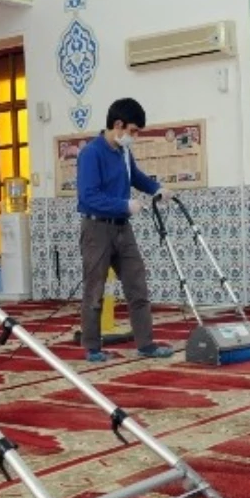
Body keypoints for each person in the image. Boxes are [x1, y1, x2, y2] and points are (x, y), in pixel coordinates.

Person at [76, 98, 174, 363]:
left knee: (137, 285)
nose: (135, 136)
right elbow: (88, 196)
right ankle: (93, 348)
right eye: (133, 131)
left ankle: (146, 344)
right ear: (117, 125)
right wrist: (124, 204)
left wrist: (157, 189)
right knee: (94, 290)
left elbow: (136, 177)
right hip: (97, 228)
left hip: (122, 228)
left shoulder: (123, 152)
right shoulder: (91, 154)